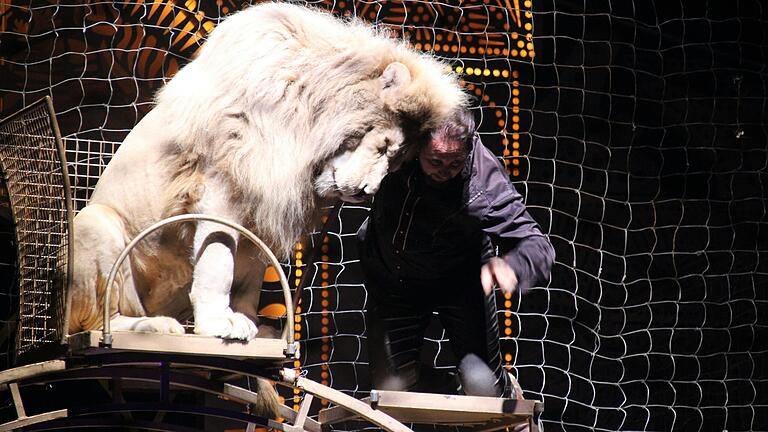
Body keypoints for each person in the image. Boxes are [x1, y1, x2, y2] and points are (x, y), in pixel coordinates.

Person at [358, 107, 555, 398]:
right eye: (435, 160)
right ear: (418, 147)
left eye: (455, 163)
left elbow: (538, 244)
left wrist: (513, 265)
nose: (444, 171)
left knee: (483, 389)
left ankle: (492, 389)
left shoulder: (484, 182)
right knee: (392, 387)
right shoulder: (395, 148)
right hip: (396, 278)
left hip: (460, 281)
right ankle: (450, 389)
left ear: (469, 148)